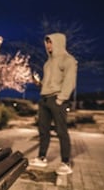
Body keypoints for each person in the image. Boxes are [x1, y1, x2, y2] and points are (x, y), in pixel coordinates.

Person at [30, 33, 78, 175]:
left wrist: (61, 98)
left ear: (58, 42)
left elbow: (70, 81)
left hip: (57, 99)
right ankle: (42, 157)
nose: (48, 45)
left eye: (51, 42)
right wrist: (39, 83)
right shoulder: (47, 63)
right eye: (47, 43)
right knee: (43, 130)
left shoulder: (68, 60)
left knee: (61, 131)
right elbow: (47, 83)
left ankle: (65, 162)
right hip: (44, 99)